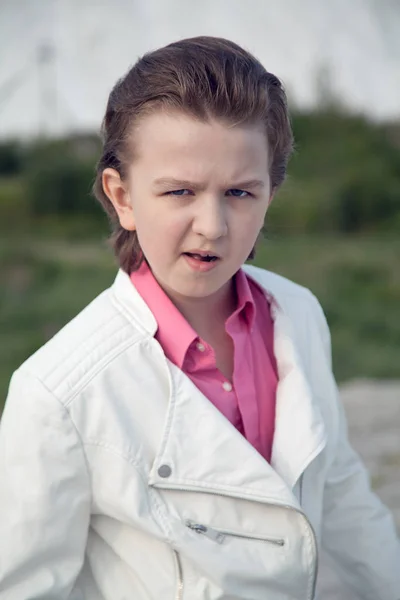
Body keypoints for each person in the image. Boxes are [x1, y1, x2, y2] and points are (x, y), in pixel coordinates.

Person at [0, 36, 398, 600]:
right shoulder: (57, 394)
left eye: (240, 191)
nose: (212, 224)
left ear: (271, 194)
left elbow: (341, 492)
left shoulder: (299, 315)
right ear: (123, 197)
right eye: (180, 191)